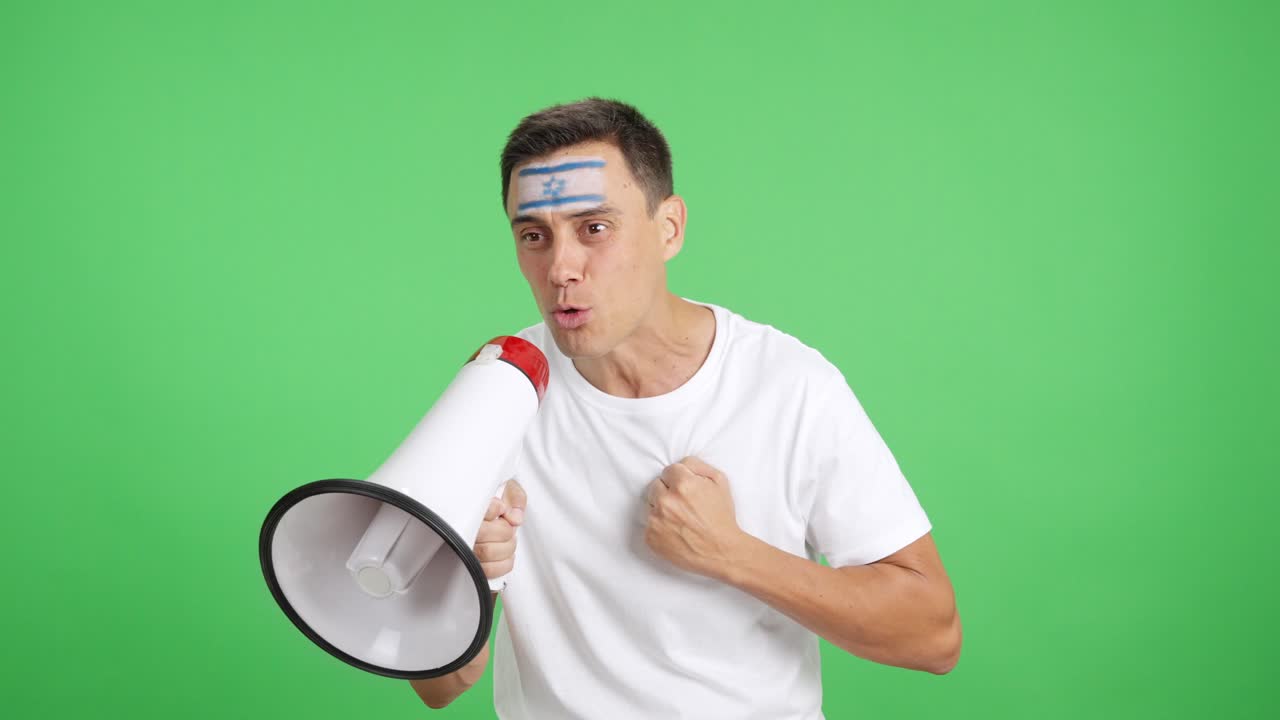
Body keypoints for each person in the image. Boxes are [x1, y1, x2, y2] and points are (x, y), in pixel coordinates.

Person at [409, 98, 961, 718]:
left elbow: (934, 636)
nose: (560, 267)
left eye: (595, 227)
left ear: (669, 228)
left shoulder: (787, 385)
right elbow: (439, 687)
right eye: (533, 235)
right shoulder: (501, 385)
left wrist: (732, 553)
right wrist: (474, 576)